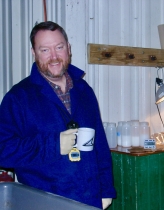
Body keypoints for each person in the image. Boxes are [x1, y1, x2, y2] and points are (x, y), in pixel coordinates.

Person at [0, 21, 116, 209]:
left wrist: (106, 190)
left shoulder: (84, 90)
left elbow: (100, 145)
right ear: (34, 52)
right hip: (44, 203)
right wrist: (53, 145)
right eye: (45, 50)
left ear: (68, 48)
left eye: (59, 47)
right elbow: (3, 151)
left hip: (89, 199)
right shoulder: (18, 98)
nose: (54, 57)